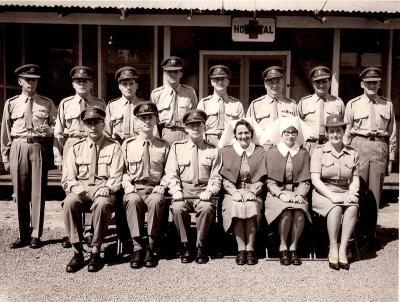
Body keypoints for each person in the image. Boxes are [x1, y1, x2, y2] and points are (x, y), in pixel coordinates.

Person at [1, 64, 57, 249]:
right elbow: (5, 133)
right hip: (18, 147)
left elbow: (57, 129)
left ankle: (36, 235)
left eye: (34, 80)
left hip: (38, 147)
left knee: (38, 193)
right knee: (20, 194)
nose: (31, 83)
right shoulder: (12, 103)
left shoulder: (47, 103)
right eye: (27, 80)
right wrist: (6, 157)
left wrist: (49, 131)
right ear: (20, 82)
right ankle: (23, 234)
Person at [61, 106, 124, 273]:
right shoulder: (75, 148)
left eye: (97, 123)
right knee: (69, 202)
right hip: (82, 189)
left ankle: (95, 251)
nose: (93, 127)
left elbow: (116, 176)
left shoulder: (114, 147)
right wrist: (76, 187)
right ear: (84, 126)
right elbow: (68, 178)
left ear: (104, 124)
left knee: (102, 204)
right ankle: (77, 252)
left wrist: (108, 188)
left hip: (104, 190)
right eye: (89, 124)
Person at [343, 67, 397, 249]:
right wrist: (345, 156)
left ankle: (370, 234)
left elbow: (392, 133)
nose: (372, 86)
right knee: (357, 190)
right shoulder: (353, 104)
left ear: (380, 84)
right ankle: (355, 233)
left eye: (375, 82)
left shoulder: (387, 104)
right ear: (362, 84)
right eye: (368, 83)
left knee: (375, 193)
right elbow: (346, 132)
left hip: (379, 147)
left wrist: (391, 158)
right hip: (359, 146)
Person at [55, 66, 106, 248]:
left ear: (92, 83)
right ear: (73, 84)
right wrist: (60, 156)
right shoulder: (65, 103)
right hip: (72, 145)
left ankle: (91, 231)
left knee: (94, 184)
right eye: (78, 81)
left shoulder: (99, 103)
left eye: (85, 81)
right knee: (73, 191)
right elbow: (59, 133)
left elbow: (104, 129)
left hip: (95, 146)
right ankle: (73, 233)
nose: (82, 84)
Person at [164, 109, 220, 264]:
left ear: (205, 127)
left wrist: (210, 190)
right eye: (192, 125)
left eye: (198, 124)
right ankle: (186, 245)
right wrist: (176, 190)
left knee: (207, 208)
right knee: (177, 208)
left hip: (203, 191)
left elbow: (216, 176)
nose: (195, 128)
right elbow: (171, 173)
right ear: (186, 129)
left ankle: (201, 245)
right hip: (184, 191)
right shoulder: (176, 147)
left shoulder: (214, 150)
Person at [121, 101, 170, 269]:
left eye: (150, 117)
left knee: (157, 201)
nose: (147, 122)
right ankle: (137, 248)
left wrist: (163, 185)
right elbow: (122, 171)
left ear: (156, 119)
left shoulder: (164, 145)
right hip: (135, 187)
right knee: (132, 200)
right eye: (143, 118)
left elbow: (169, 172)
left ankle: (151, 246)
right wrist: (127, 184)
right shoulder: (128, 145)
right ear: (137, 121)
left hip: (154, 188)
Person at [311, 114, 360, 270]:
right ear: (326, 134)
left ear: (344, 132)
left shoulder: (352, 153)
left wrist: (353, 192)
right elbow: (315, 180)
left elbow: (355, 178)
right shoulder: (319, 151)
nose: (335, 135)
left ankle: (343, 249)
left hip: (345, 190)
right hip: (324, 192)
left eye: (338, 131)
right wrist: (332, 196)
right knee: (336, 208)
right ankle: (332, 247)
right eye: (331, 131)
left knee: (353, 207)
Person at [219, 119, 267, 265]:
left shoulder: (260, 151)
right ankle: (241, 249)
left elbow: (263, 178)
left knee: (251, 206)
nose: (243, 136)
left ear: (251, 134)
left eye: (246, 133)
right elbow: (224, 179)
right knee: (237, 206)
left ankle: (250, 249)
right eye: (240, 133)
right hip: (232, 192)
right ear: (235, 135)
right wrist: (234, 192)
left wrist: (253, 191)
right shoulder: (227, 151)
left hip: (254, 191)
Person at [264, 116, 311, 266]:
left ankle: (294, 247)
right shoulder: (272, 152)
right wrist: (280, 194)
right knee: (286, 210)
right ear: (281, 134)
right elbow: (270, 181)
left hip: (297, 191)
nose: (290, 136)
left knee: (300, 210)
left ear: (297, 134)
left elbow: (305, 180)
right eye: (287, 132)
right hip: (277, 192)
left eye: (293, 132)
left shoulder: (303, 153)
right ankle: (283, 246)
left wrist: (300, 195)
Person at [298, 66, 345, 155]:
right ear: (313, 83)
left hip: (331, 145)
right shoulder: (304, 102)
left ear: (330, 82)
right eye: (317, 82)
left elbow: (343, 127)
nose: (321, 85)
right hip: (309, 146)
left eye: (324, 81)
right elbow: (298, 126)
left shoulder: (338, 103)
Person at [151, 56, 198, 144]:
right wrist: (156, 139)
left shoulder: (190, 92)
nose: (173, 75)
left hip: (186, 134)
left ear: (181, 74)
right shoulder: (157, 94)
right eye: (169, 72)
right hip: (165, 134)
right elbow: (153, 120)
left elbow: (195, 116)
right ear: (164, 74)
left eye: (176, 72)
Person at [197, 65, 245, 146]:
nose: (220, 82)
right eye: (216, 79)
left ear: (228, 82)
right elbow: (198, 127)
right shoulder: (204, 103)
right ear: (212, 82)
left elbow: (242, 128)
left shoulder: (237, 104)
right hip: (209, 142)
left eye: (222, 79)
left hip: (231, 142)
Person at [246, 66, 298, 132]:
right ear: (265, 84)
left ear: (283, 83)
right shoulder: (255, 105)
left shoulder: (292, 105)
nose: (275, 85)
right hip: (263, 142)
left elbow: (297, 130)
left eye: (278, 82)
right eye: (271, 82)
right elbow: (248, 130)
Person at [104, 66, 146, 144]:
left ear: (136, 85)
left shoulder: (144, 106)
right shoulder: (112, 106)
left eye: (131, 83)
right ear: (119, 87)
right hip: (118, 147)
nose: (128, 87)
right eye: (124, 84)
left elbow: (152, 132)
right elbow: (106, 132)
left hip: (139, 146)